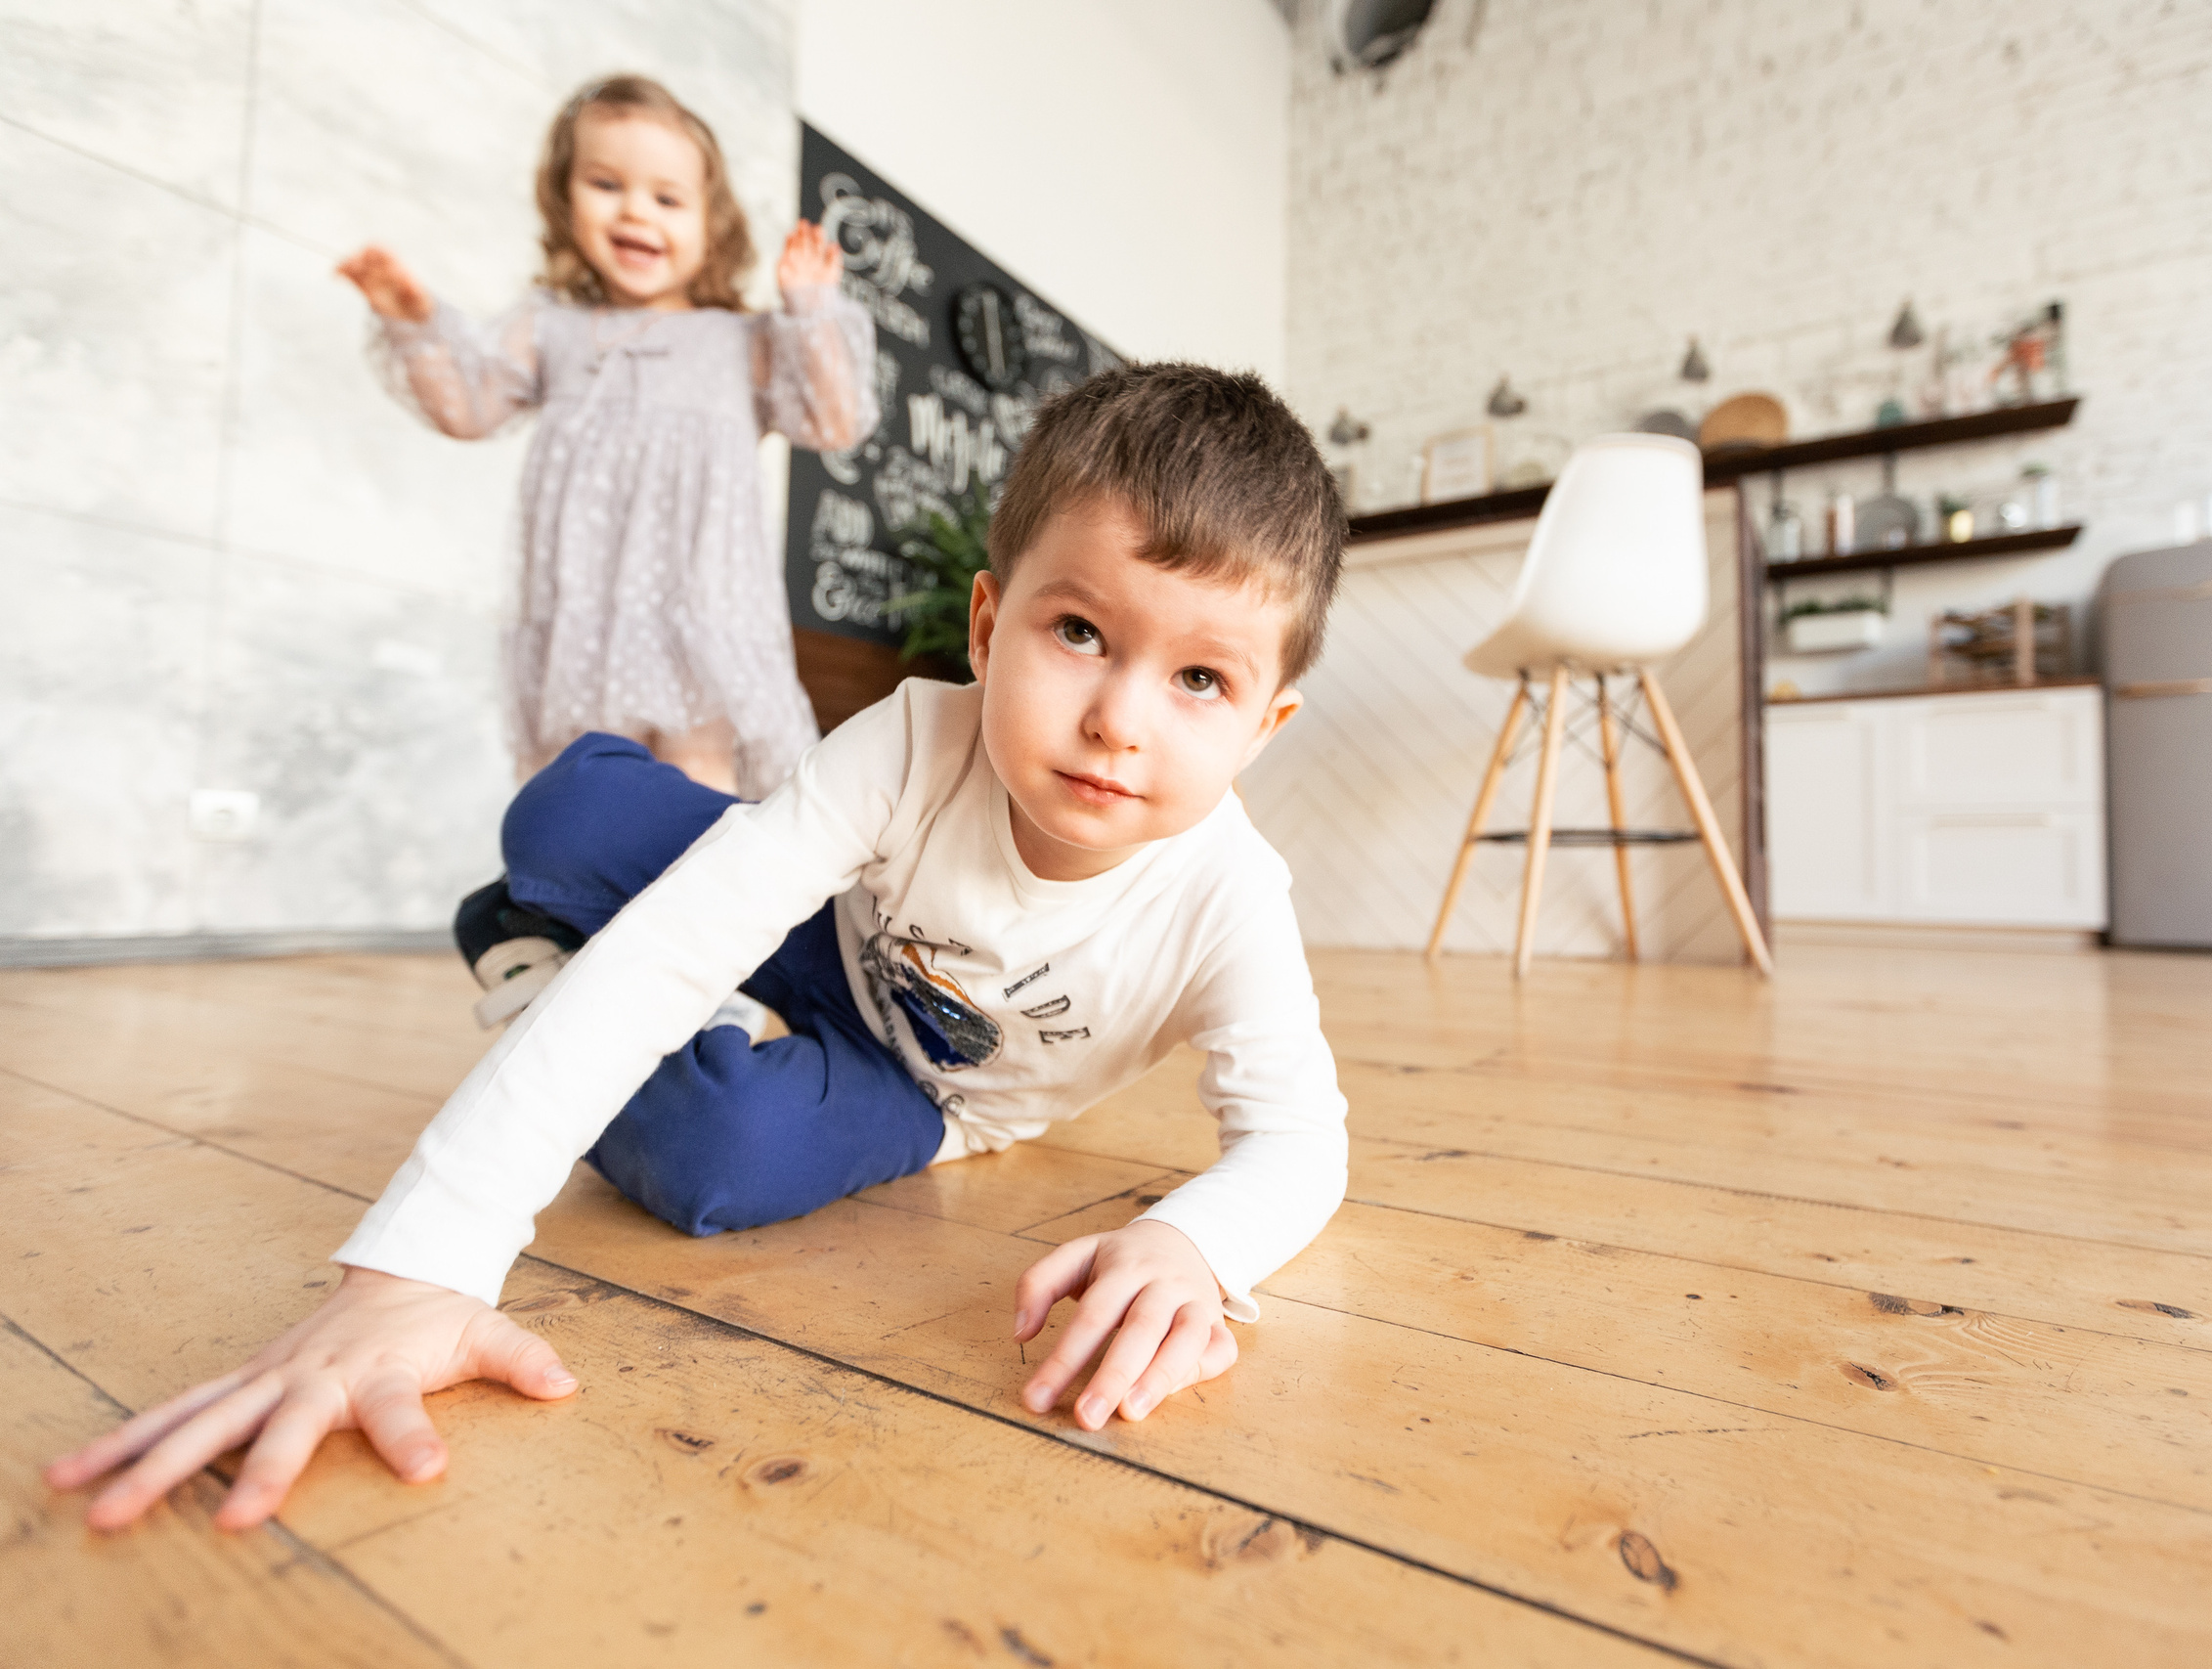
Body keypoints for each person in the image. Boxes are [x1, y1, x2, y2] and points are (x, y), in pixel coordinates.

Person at [48, 363, 1351, 1534]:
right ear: (986, 624)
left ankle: (552, 972)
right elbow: (675, 940)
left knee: (716, 1154)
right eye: (1080, 632)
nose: (1119, 715)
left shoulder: (1228, 895)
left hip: (925, 1093)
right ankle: (628, 968)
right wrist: (423, 1261)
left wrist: (1197, 1244)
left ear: (1264, 725)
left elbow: (1298, 1141)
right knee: (569, 809)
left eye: (1200, 681)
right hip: (813, 937)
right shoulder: (911, 739)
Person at [340, 74, 875, 800]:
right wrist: (413, 319)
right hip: (585, 618)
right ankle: (580, 907)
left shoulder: (740, 339)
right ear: (564, 197)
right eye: (605, 183)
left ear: (710, 222)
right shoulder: (551, 328)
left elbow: (834, 419)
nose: (635, 212)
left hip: (701, 612)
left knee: (697, 779)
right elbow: (469, 405)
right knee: (585, 784)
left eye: (667, 197)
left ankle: (702, 908)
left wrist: (811, 308)